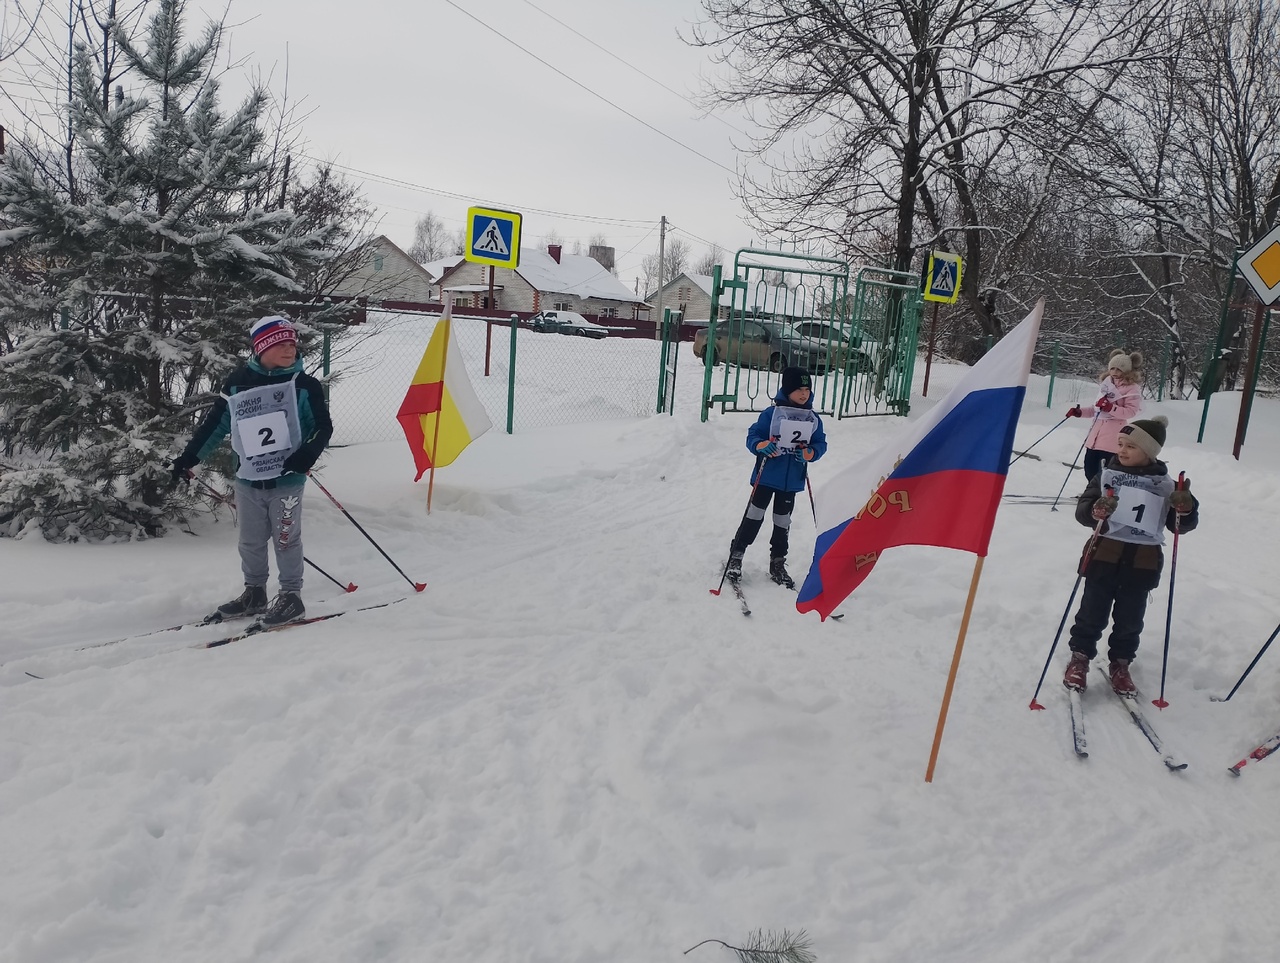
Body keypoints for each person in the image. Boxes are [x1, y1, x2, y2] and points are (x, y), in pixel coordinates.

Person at [170, 316, 333, 626]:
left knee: (286, 539)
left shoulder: (304, 385)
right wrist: (189, 457)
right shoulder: (237, 383)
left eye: (292, 344)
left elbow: (322, 427)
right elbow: (216, 425)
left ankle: (291, 596)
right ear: (262, 348)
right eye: (281, 344)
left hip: (287, 478)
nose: (289, 349)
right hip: (248, 478)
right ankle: (255, 592)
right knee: (250, 540)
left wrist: (307, 455)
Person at [1061, 415, 1198, 695]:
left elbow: (1179, 525)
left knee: (1130, 620)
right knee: (1091, 613)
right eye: (1120, 444)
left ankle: (1121, 664)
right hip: (1103, 557)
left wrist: (1186, 508)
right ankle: (1080, 658)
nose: (1121, 450)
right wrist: (1095, 511)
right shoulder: (1106, 475)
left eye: (1130, 446)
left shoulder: (1167, 485)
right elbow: (1083, 510)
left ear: (1148, 451)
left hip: (1142, 563)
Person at [725, 366, 828, 589]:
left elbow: (820, 443)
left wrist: (811, 452)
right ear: (787, 390)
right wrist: (761, 445)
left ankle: (778, 562)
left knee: (783, 523)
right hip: (766, 477)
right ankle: (737, 554)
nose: (804, 394)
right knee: (753, 517)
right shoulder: (771, 414)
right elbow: (753, 435)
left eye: (807, 389)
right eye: (798, 389)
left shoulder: (812, 418)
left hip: (791, 482)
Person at [1065, 349, 1144, 482]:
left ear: (1127, 371)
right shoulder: (1106, 385)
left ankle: (1106, 496)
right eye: (1112, 368)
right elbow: (1096, 409)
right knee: (1089, 468)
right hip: (1095, 437)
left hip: (1112, 437)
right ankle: (1093, 493)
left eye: (1119, 369)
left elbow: (1130, 411)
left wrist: (1110, 407)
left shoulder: (1131, 388)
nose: (1114, 372)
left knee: (1108, 471)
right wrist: (1079, 412)